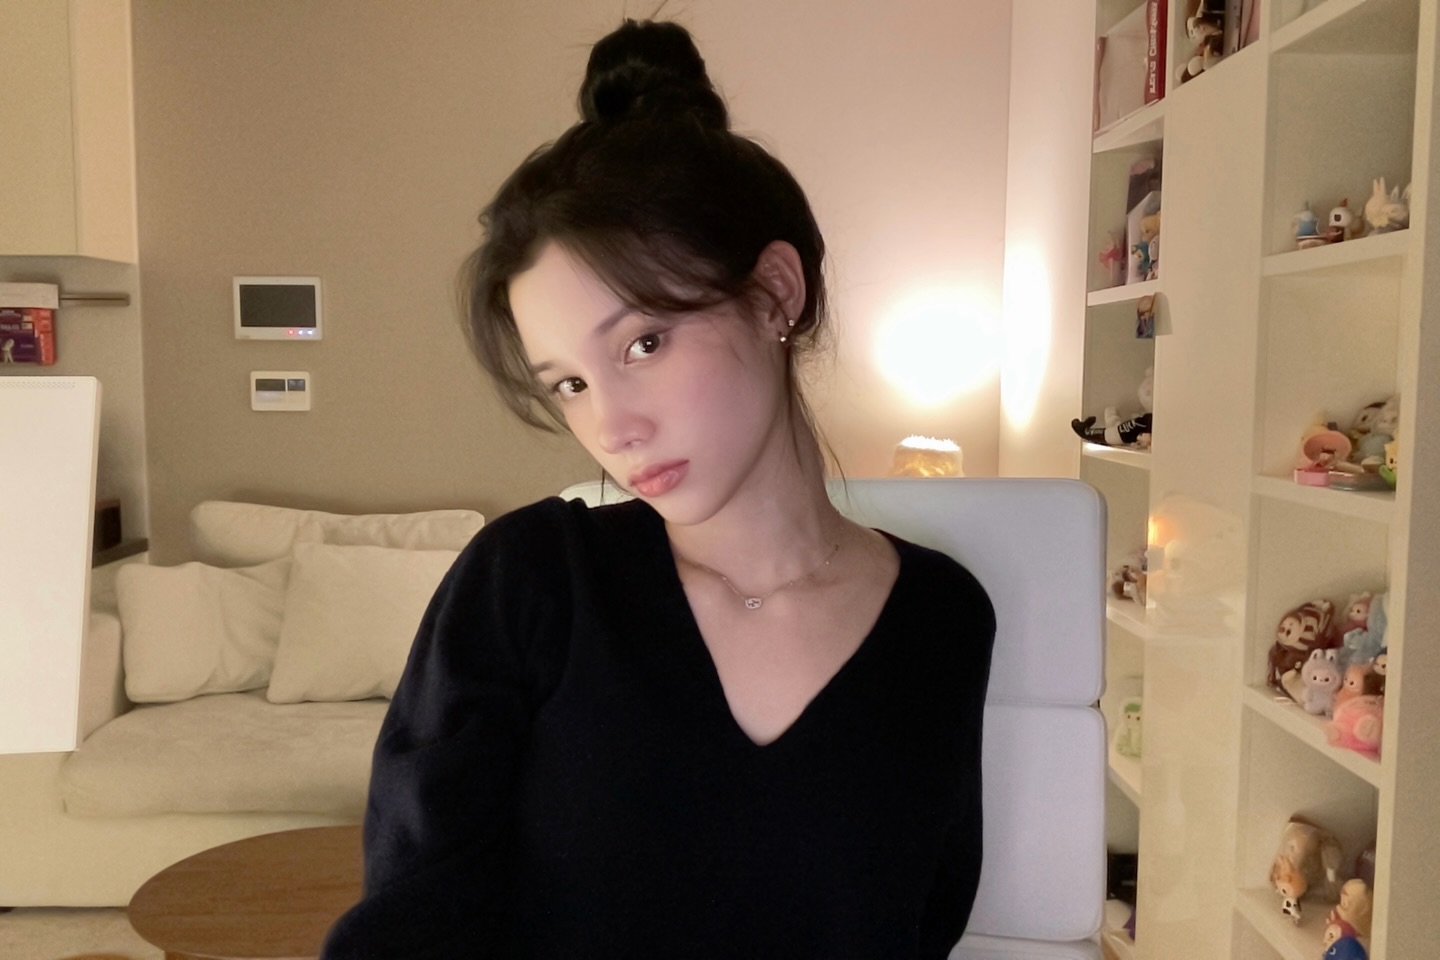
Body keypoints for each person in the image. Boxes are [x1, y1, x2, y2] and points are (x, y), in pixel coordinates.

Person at [321, 18, 994, 960]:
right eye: (569, 383)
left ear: (774, 293)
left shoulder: (942, 620)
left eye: (643, 343)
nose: (611, 428)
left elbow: (915, 927)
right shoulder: (530, 583)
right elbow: (412, 925)